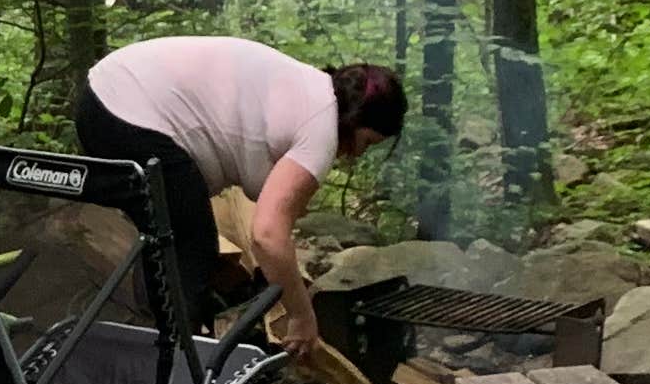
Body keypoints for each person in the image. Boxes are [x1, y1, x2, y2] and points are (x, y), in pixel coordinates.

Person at [72, 37, 406, 350]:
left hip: (104, 98)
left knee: (168, 240)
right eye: (367, 142)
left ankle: (158, 357)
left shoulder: (310, 91)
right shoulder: (322, 126)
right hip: (127, 109)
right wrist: (302, 317)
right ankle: (174, 379)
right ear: (354, 118)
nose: (358, 154)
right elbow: (267, 235)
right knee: (192, 244)